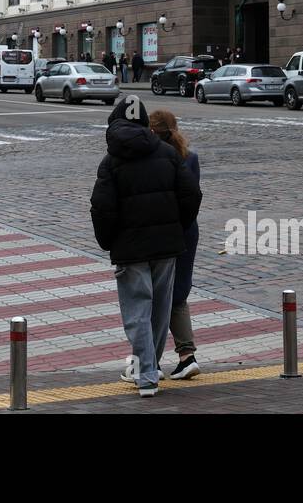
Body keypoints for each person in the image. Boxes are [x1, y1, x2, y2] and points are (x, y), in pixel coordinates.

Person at [90, 95, 201, 398]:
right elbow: (192, 195)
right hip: (166, 247)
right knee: (159, 312)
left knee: (138, 311)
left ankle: (147, 375)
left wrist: (108, 241)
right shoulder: (167, 153)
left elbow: (101, 207)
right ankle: (147, 368)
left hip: (130, 250)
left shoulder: (111, 161)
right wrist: (176, 227)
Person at [148, 109, 203, 381]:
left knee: (155, 296)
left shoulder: (155, 159)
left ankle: (152, 361)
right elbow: (193, 198)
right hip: (187, 232)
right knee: (177, 294)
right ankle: (186, 356)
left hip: (163, 234)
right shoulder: (189, 157)